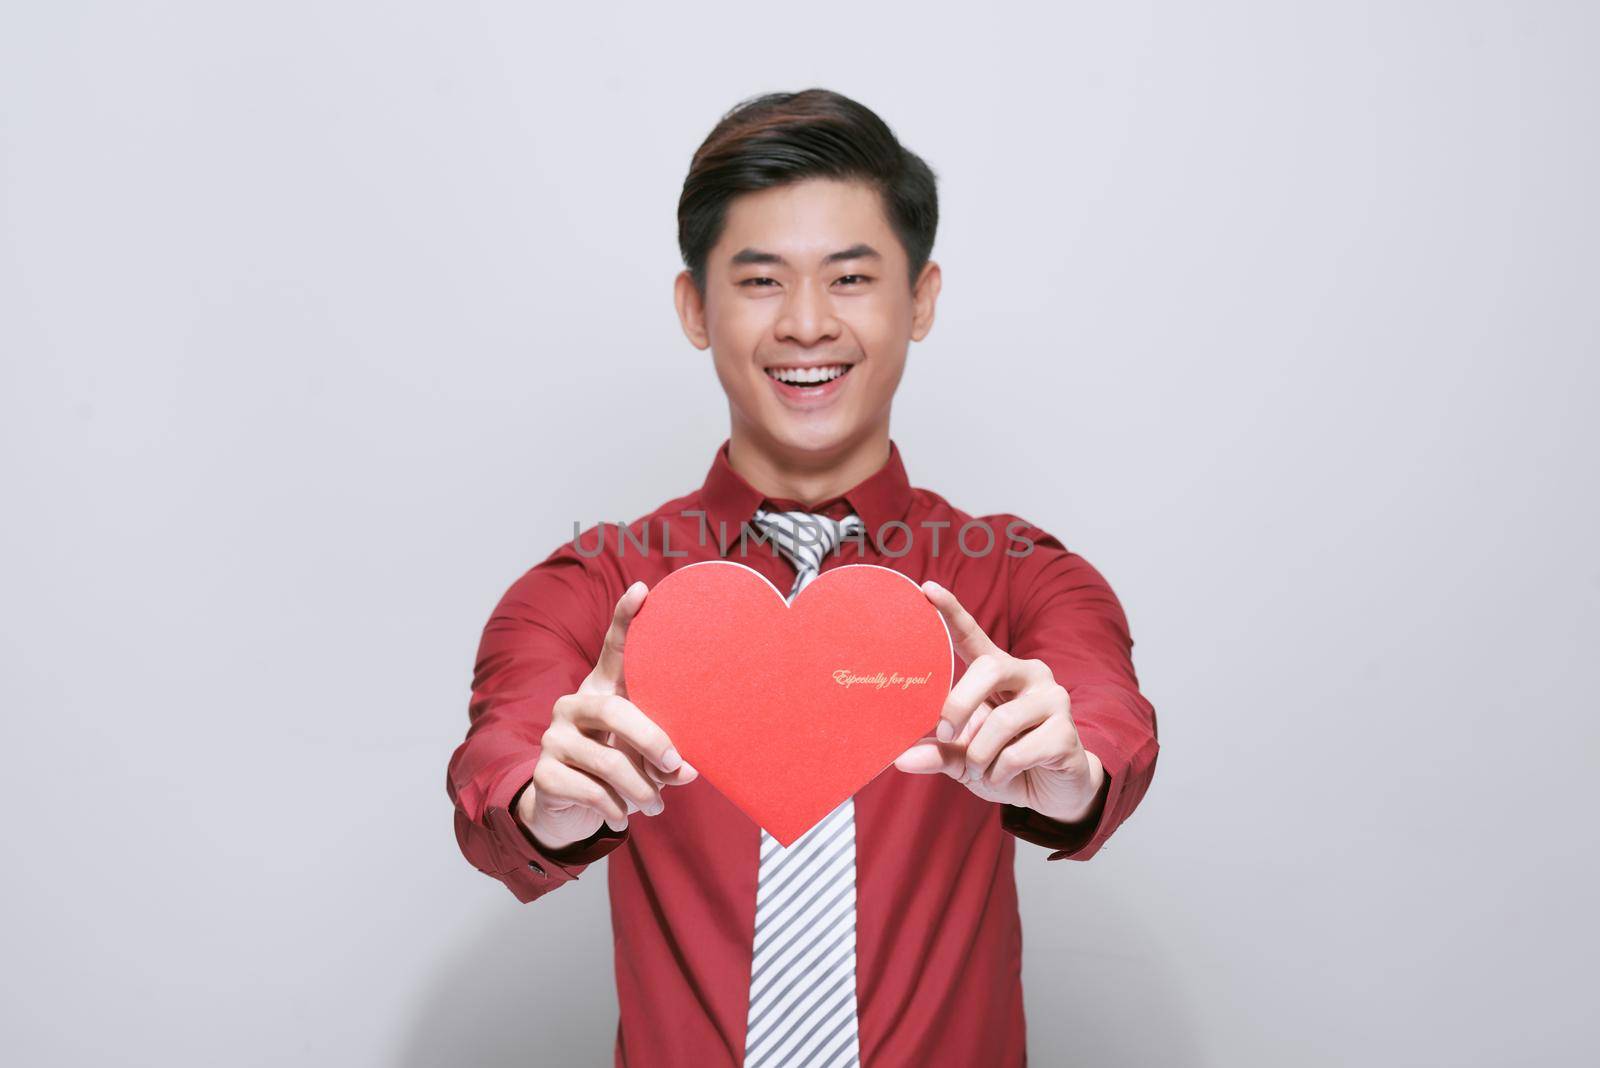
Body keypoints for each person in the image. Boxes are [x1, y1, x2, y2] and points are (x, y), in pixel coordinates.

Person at [446, 88, 1159, 1068]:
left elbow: (1105, 711)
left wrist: (1071, 774)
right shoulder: (592, 586)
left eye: (853, 278)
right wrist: (547, 806)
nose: (808, 324)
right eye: (761, 281)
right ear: (696, 307)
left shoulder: (1019, 579)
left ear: (922, 300)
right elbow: (504, 755)